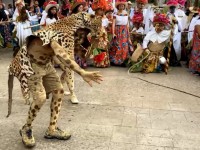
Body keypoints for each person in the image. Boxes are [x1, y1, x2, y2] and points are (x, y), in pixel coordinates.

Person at [109, 0, 132, 66]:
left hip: (124, 31)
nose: (121, 6)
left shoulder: (126, 14)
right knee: (116, 45)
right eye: (120, 5)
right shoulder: (115, 14)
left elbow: (127, 24)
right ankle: (114, 60)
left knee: (124, 46)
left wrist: (128, 33)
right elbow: (113, 24)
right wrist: (113, 33)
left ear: (124, 6)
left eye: (122, 5)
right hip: (117, 30)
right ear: (118, 6)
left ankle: (123, 61)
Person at [91, 0, 110, 67]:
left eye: (102, 10)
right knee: (96, 48)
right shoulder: (93, 17)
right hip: (97, 34)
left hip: (103, 35)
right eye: (100, 10)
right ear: (96, 10)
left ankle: (103, 62)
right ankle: (97, 62)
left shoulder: (104, 18)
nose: (101, 11)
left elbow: (105, 26)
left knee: (103, 48)